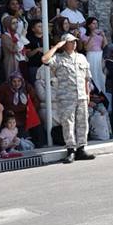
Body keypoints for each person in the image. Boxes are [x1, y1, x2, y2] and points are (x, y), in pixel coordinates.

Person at [42, 33, 95, 163]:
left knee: (83, 123)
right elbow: (44, 59)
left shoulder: (81, 57)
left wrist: (87, 94)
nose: (74, 44)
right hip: (66, 97)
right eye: (71, 42)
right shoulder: (58, 58)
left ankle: (81, 149)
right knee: (68, 124)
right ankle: (71, 150)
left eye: (75, 41)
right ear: (65, 44)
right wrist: (57, 46)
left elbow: (86, 78)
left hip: (81, 95)